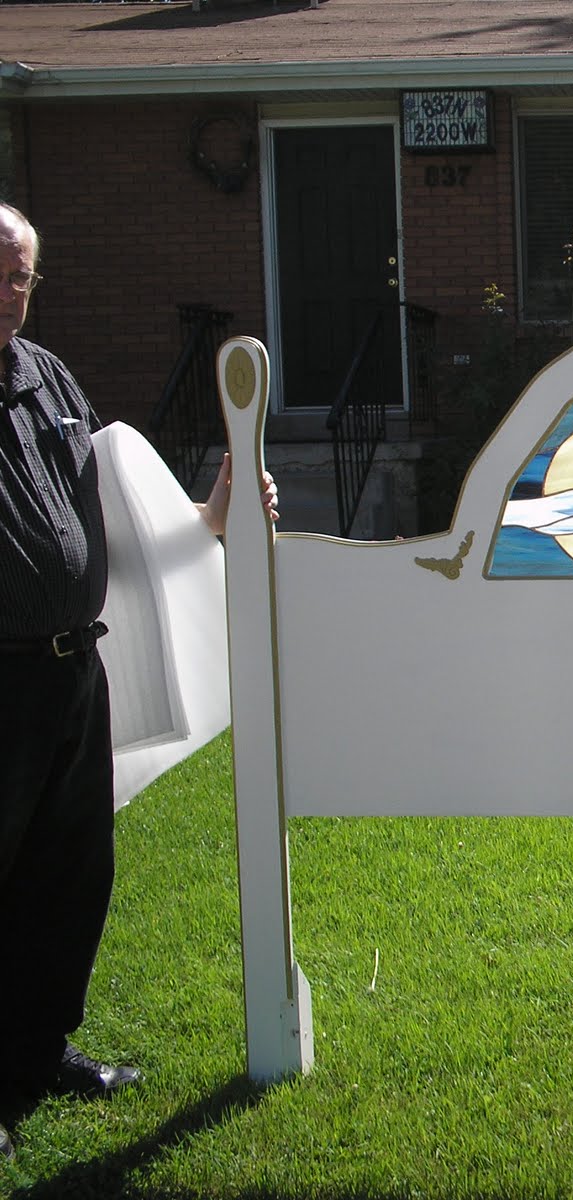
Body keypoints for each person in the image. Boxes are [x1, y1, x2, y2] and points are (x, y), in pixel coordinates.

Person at [0, 201, 277, 1161]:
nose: (8, 290)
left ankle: (37, 1050)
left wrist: (216, 510)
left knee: (68, 873)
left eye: (20, 275)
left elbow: (113, 515)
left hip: (73, 668)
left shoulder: (47, 378)